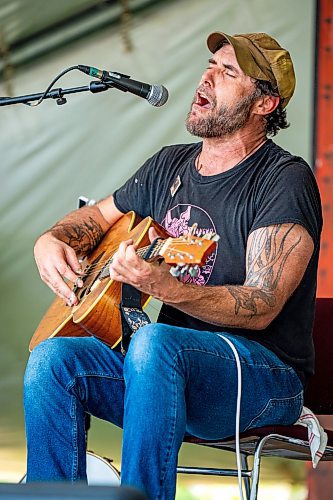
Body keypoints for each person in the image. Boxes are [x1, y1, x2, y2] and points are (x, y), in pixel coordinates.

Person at [24, 31, 322, 499]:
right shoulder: (168, 166)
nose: (207, 75)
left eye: (228, 72)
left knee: (154, 341)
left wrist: (164, 287)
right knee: (52, 361)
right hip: (164, 374)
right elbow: (95, 217)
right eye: (211, 64)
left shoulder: (284, 179)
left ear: (265, 104)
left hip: (264, 380)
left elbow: (262, 303)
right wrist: (51, 239)